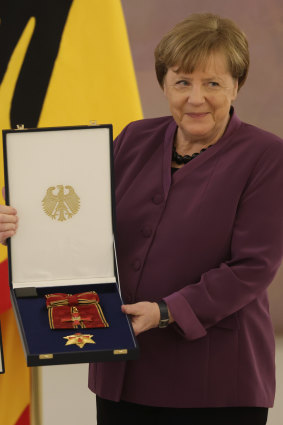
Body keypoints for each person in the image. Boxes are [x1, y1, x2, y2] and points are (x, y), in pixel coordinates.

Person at [1, 12, 283, 425]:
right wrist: (23, 226)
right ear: (164, 84)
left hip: (217, 379)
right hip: (122, 370)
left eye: (213, 83)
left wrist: (166, 311)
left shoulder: (267, 156)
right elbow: (84, 221)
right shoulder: (134, 138)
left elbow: (251, 268)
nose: (195, 97)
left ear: (236, 86)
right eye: (182, 81)